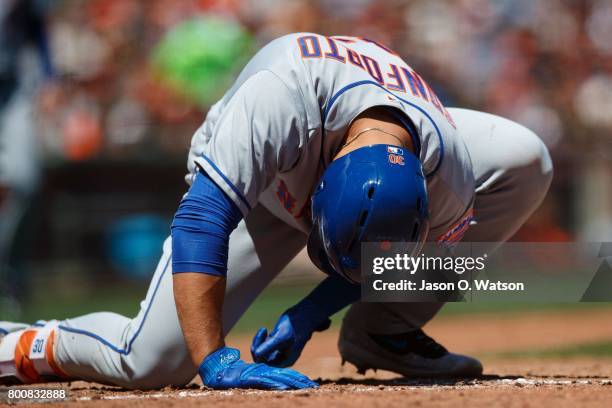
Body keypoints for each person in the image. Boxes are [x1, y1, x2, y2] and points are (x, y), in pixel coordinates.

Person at [0, 33, 552, 390]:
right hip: (260, 187)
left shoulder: (448, 175)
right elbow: (202, 220)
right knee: (152, 362)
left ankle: (386, 330)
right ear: (318, 189)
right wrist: (214, 359)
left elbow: (395, 256)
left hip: (362, 143)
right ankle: (19, 342)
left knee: (526, 158)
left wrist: (309, 312)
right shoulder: (277, 99)